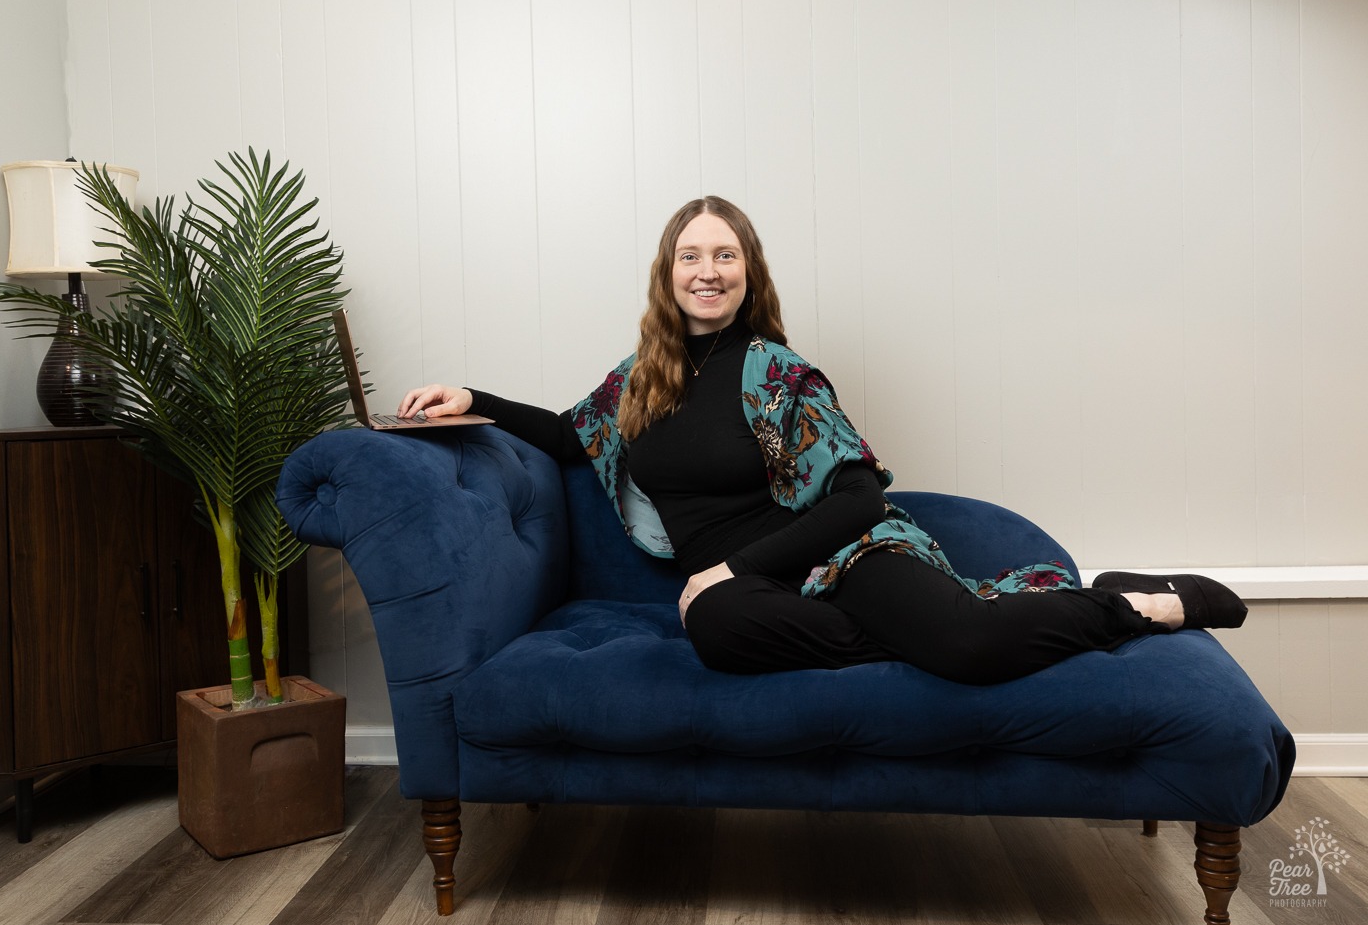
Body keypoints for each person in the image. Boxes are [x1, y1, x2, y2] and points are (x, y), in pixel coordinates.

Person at [399, 196, 1247, 685]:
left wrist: (731, 568)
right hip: (762, 600)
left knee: (969, 649)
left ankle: (1137, 602)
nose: (707, 270)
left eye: (725, 255)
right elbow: (566, 435)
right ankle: (963, 616)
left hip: (849, 555)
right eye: (689, 255)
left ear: (748, 272)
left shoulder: (774, 372)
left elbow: (859, 497)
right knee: (718, 632)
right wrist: (470, 397)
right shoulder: (639, 378)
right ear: (665, 274)